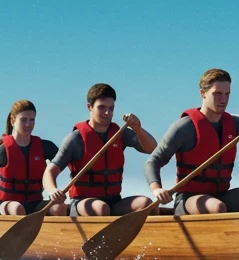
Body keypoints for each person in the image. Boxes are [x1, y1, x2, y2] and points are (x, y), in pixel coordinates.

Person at [144, 68, 239, 215]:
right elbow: (153, 161)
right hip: (188, 199)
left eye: (227, 94)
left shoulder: (235, 124)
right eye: (217, 94)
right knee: (217, 207)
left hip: (221, 195)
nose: (223, 100)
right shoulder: (184, 127)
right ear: (203, 93)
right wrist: (157, 189)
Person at [43, 83, 159, 217]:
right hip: (83, 203)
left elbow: (152, 148)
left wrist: (137, 128)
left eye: (111, 108)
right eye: (102, 107)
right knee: (101, 208)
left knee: (146, 204)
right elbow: (50, 171)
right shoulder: (75, 139)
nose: (107, 113)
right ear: (89, 107)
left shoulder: (119, 133)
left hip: (114, 201)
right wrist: (52, 190)